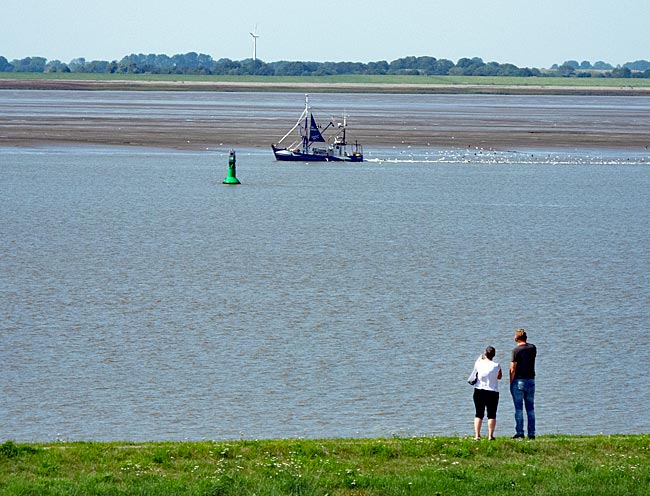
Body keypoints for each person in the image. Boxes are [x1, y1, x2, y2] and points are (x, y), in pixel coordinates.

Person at [510, 328, 537, 439]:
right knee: (530, 408)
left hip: (519, 381)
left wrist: (511, 382)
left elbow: (513, 368)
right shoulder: (533, 348)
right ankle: (531, 433)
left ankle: (520, 432)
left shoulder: (516, 351)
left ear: (517, 338)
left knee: (519, 409)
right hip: (531, 380)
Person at [472, 346, 502, 440]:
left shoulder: (479, 363)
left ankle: (477, 435)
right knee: (492, 414)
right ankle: (490, 435)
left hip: (479, 390)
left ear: (485, 354)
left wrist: (479, 358)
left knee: (478, 413)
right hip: (492, 392)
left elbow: (475, 369)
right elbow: (499, 376)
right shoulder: (496, 365)